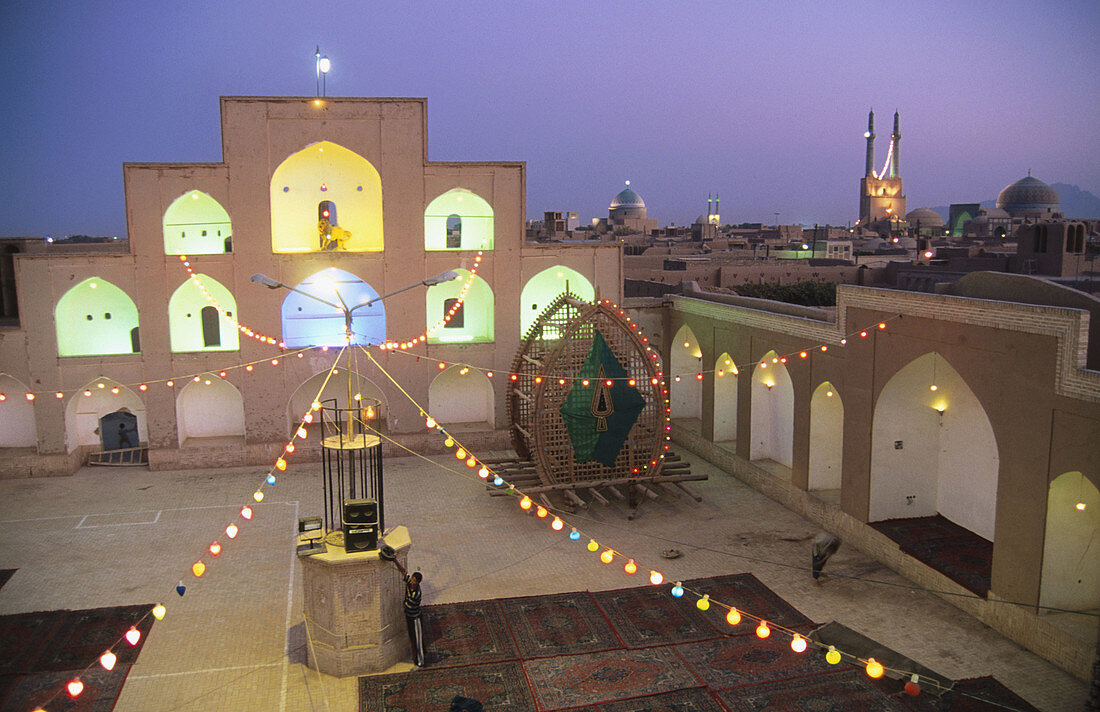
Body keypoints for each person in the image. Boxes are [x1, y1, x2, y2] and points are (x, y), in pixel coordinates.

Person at [390, 555, 425, 667]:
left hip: (415, 618)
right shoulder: (410, 583)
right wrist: (395, 560)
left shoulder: (416, 594)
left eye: (415, 581)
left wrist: (404, 604)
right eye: (412, 579)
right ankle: (417, 656)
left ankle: (420, 661)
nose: (412, 581)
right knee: (412, 637)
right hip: (409, 616)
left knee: (417, 638)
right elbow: (403, 572)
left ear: (418, 583)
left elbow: (407, 605)